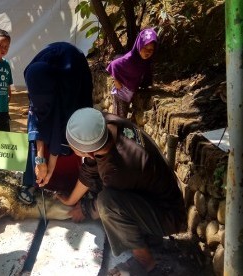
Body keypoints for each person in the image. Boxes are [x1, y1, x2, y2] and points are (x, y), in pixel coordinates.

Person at [58, 107, 186, 275]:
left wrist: (84, 209)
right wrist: (70, 201)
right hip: (151, 194)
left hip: (168, 215)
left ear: (88, 152)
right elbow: (90, 170)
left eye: (73, 148)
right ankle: (143, 232)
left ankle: (144, 261)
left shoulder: (117, 170)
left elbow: (106, 205)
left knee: (106, 204)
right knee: (103, 194)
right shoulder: (106, 124)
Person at [19, 42, 93, 205]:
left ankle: (71, 185)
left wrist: (51, 168)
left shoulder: (69, 89)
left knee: (71, 133)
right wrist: (40, 160)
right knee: (33, 129)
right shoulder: (34, 76)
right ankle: (33, 182)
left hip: (74, 80)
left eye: (46, 101)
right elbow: (38, 116)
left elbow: (60, 123)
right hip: (49, 79)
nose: (43, 106)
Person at [106, 28, 157, 118]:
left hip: (131, 92)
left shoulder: (145, 61)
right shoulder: (129, 59)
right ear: (139, 45)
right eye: (145, 47)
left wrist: (146, 85)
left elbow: (146, 74)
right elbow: (114, 64)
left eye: (151, 50)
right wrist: (116, 80)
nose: (147, 52)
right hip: (121, 93)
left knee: (124, 122)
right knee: (119, 121)